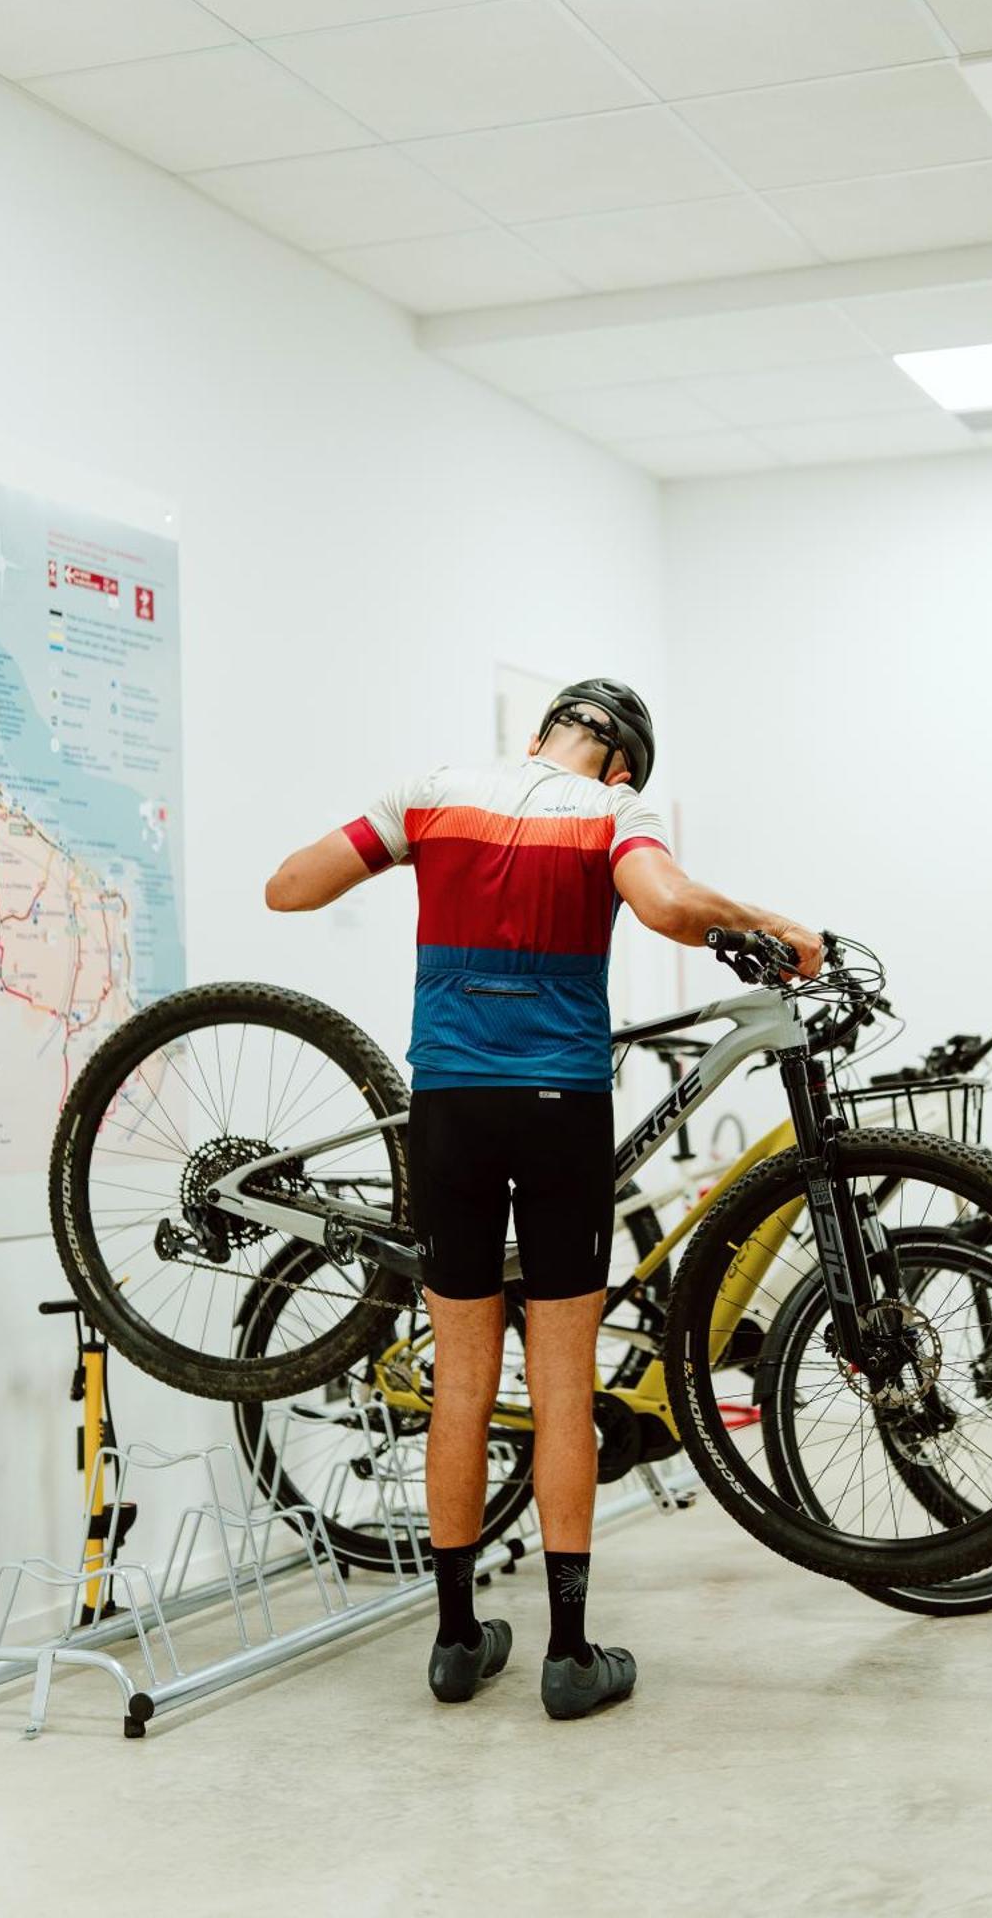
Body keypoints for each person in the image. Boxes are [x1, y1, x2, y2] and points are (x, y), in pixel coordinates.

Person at [265, 679, 822, 1719]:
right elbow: (666, 906)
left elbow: (287, 888)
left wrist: (408, 849)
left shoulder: (432, 792)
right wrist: (767, 921)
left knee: (462, 1380)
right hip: (561, 1106)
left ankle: (455, 1641)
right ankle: (569, 1656)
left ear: (537, 736)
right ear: (624, 765)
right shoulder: (614, 811)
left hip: (449, 1107)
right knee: (563, 1388)